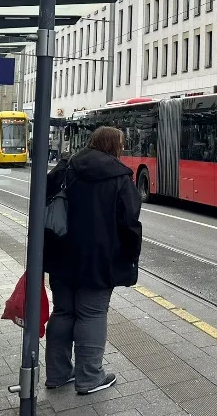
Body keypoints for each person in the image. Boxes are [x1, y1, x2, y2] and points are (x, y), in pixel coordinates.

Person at [43, 126, 142, 394]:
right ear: (114, 146)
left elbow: (44, 204)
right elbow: (129, 223)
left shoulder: (65, 168)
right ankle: (89, 377)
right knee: (91, 313)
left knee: (63, 311)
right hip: (99, 259)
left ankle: (57, 373)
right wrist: (131, 258)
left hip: (61, 253)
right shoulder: (120, 177)